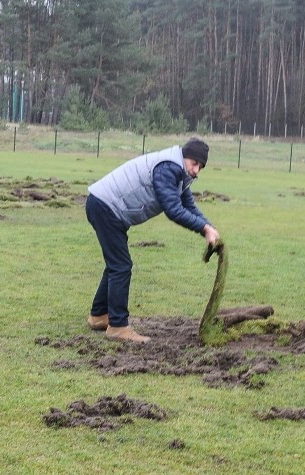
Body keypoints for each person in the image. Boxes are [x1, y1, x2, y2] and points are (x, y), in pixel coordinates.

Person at [84, 137, 220, 343]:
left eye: (201, 167)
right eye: (194, 164)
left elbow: (189, 206)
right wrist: (204, 228)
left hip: (110, 209)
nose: (196, 171)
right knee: (121, 265)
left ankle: (99, 315)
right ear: (185, 157)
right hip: (106, 206)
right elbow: (173, 210)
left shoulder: (179, 172)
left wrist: (210, 228)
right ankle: (118, 326)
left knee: (116, 264)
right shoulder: (168, 168)